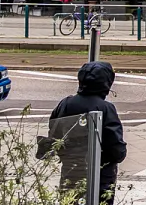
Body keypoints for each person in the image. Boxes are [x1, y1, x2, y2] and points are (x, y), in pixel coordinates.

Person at [49, 61, 128, 202]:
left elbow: (55, 136)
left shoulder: (66, 104)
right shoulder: (105, 108)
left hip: (71, 172)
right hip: (101, 175)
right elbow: (115, 148)